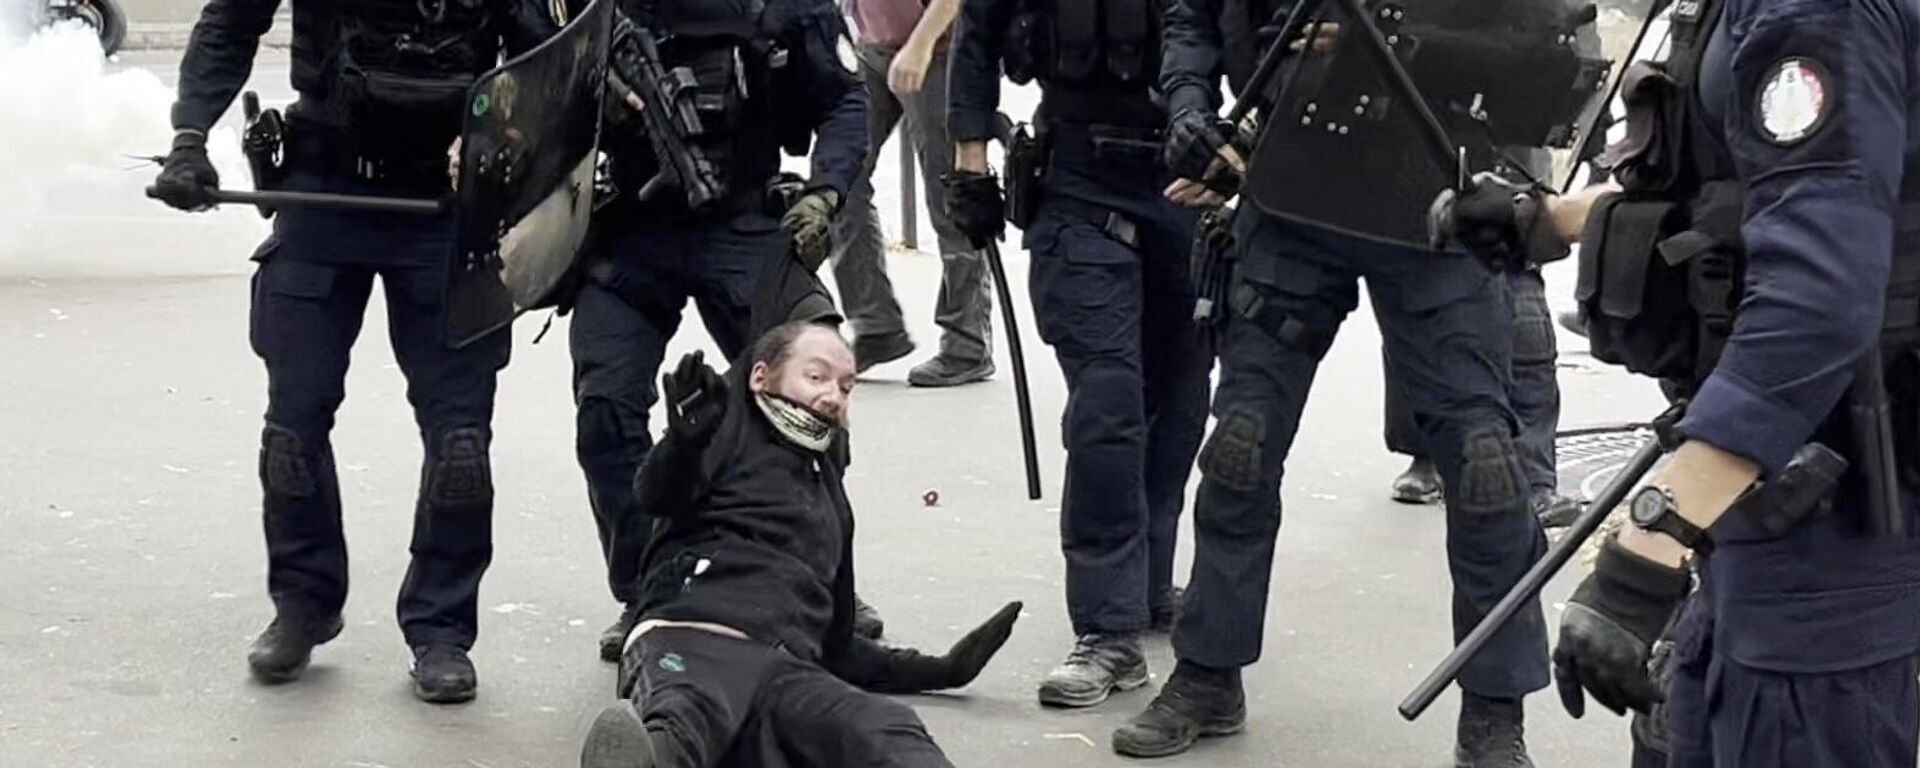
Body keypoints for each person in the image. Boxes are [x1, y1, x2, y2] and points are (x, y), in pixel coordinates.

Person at [1125, 2, 1587, 762]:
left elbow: (1547, 55)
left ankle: (1494, 712)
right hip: (1292, 196)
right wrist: (1189, 110)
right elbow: (1194, 17)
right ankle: (1207, 672)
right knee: (1241, 448)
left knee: (1486, 467)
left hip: (1438, 200)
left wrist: (1405, 40)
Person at [1539, 0, 1920, 764]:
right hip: (1766, 488)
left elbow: (1817, 302)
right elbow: (1744, 199)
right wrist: (1548, 220)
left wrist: (1654, 538)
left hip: (1827, 508)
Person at [151, 0, 559, 703]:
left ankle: (441, 630)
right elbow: (230, 24)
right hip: (324, 184)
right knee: (293, 426)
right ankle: (303, 603)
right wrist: (190, 136)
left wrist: (512, 137)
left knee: (460, 443)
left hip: (447, 199)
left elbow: (549, 61)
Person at [567, 0, 871, 664]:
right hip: (635, 229)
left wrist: (825, 193)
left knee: (812, 398)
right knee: (605, 411)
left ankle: (818, 581)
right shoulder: (603, 8)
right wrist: (589, 100)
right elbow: (535, 87)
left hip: (744, 218)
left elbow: (845, 103)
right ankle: (648, 590)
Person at [579, 323, 1023, 768]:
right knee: (681, 720)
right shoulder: (721, 430)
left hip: (784, 672)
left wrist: (944, 669)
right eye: (816, 377)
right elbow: (656, 495)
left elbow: (838, 646)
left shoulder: (832, 504)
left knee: (888, 728)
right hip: (691, 644)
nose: (833, 396)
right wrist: (682, 444)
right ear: (761, 377)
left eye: (846, 387)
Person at [945, 0, 1214, 711]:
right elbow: (976, 36)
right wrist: (969, 162)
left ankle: (1147, 582)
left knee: (1182, 401)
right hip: (1077, 177)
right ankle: (1107, 627)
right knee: (1107, 407)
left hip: (1194, 178)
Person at [829, 0, 998, 387]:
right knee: (839, 181)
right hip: (871, 46)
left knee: (952, 201)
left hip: (937, 51)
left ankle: (967, 345)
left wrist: (921, 44)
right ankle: (875, 325)